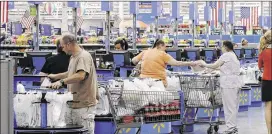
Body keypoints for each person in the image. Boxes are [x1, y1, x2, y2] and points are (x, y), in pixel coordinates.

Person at [48, 34, 98, 134]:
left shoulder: (83, 57)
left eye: (62, 46)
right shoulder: (73, 57)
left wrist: (62, 82)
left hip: (84, 106)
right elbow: (71, 73)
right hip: (74, 104)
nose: (62, 49)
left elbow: (80, 75)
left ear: (69, 44)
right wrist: (56, 76)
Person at [198, 41, 243, 134]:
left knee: (229, 107)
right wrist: (210, 69)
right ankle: (233, 127)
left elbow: (215, 65)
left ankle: (230, 128)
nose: (221, 48)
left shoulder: (226, 55)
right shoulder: (233, 55)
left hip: (228, 84)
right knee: (233, 107)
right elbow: (225, 68)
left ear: (226, 47)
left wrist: (204, 65)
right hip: (236, 83)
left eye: (222, 46)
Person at [132, 39, 196, 87]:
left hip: (143, 81)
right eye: (165, 47)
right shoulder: (162, 54)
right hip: (159, 83)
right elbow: (176, 63)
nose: (165, 49)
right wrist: (190, 63)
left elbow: (133, 60)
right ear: (160, 45)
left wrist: (141, 63)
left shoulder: (145, 52)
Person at [258, 30, 272, 134]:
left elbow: (260, 67)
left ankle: (269, 131)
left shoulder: (263, 52)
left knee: (268, 108)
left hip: (267, 81)